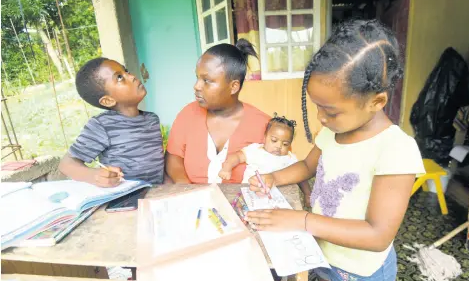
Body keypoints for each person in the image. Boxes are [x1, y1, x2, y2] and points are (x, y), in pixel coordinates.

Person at [246, 20, 425, 281]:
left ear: (377, 101)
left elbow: (378, 235)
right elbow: (307, 166)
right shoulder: (333, 131)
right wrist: (272, 177)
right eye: (316, 106)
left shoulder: (395, 149)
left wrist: (301, 221)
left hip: (360, 272)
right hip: (324, 251)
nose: (320, 118)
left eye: (329, 111)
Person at [166, 39, 270, 184]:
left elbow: (280, 165)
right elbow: (174, 158)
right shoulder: (188, 114)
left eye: (207, 80)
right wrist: (187, 190)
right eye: (197, 78)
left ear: (233, 86)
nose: (196, 86)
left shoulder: (263, 125)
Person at [59, 58, 164, 186]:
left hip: (157, 195)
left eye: (126, 71)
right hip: (124, 200)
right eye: (120, 77)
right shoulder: (102, 125)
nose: (131, 77)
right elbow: (66, 164)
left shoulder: (152, 119)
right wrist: (95, 175)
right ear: (108, 101)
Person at [218, 113, 312, 205]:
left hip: (278, 200)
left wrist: (308, 194)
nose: (279, 146)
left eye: (285, 144)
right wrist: (227, 168)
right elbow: (237, 157)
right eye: (274, 140)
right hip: (250, 195)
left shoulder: (290, 158)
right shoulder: (256, 150)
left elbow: (301, 177)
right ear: (265, 137)